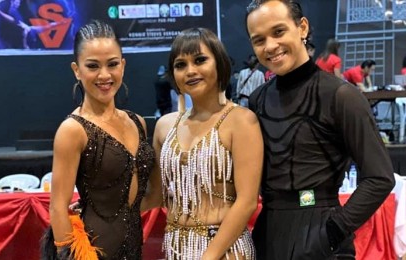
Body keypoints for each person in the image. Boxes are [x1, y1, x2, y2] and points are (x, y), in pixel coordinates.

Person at [245, 1, 395, 259]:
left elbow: (380, 177)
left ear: (302, 27)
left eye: (278, 32)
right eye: (259, 40)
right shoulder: (257, 99)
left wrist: (334, 230)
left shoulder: (341, 95)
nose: (270, 46)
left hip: (322, 230)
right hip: (267, 233)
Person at [41, 20, 155, 259]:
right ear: (76, 69)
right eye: (93, 66)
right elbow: (57, 209)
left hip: (134, 248)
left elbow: (140, 198)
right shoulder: (73, 130)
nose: (104, 75)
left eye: (112, 64)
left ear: (123, 65)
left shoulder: (137, 122)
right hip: (92, 251)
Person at [152, 27, 263, 259]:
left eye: (200, 60)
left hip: (225, 250)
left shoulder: (241, 121)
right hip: (176, 248)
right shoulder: (165, 126)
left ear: (219, 64)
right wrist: (98, 208)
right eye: (180, 65)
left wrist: (208, 256)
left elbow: (247, 201)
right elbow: (154, 194)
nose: (190, 71)